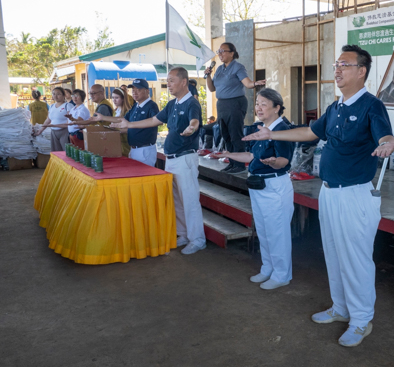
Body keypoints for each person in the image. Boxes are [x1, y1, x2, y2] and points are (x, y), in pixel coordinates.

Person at [244, 44, 394, 346]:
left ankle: (361, 320)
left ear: (361, 71)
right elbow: (310, 132)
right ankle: (341, 308)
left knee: (355, 258)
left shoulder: (372, 105)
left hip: (355, 195)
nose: (338, 70)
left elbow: (385, 134)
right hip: (329, 192)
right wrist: (272, 134)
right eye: (336, 64)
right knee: (333, 253)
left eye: (345, 64)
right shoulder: (335, 108)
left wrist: (387, 143)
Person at [110, 67, 206, 255]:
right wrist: (129, 124)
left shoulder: (191, 103)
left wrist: (192, 128)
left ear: (184, 82)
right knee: (177, 199)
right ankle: (184, 234)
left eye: (171, 80)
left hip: (185, 157)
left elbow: (195, 121)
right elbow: (154, 120)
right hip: (171, 158)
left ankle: (198, 239)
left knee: (190, 200)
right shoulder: (172, 104)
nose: (168, 84)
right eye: (168, 81)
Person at [224, 89, 295, 290]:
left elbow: (284, 161)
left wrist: (274, 162)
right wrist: (230, 154)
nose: (258, 107)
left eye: (264, 104)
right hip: (258, 185)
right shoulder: (260, 129)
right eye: (257, 103)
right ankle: (267, 268)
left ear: (277, 107)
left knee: (277, 232)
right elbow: (251, 157)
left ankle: (282, 274)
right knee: (263, 230)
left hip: (274, 185)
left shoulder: (281, 130)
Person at [205, 42, 266, 173]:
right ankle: (232, 162)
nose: (220, 54)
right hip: (222, 104)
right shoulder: (220, 69)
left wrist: (255, 83)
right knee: (225, 135)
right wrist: (208, 76)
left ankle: (239, 165)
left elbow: (248, 83)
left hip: (235, 103)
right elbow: (211, 88)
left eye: (223, 51)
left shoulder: (238, 67)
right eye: (218, 51)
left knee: (235, 134)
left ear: (232, 53)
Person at [94, 79, 159, 166]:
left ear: (147, 91)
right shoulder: (136, 105)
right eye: (133, 90)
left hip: (144, 149)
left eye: (138, 90)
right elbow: (123, 119)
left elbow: (156, 121)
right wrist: (103, 117)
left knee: (143, 178)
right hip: (133, 148)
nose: (135, 93)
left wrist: (130, 125)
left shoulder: (152, 106)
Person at [35, 87, 72, 151]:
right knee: (56, 153)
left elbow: (70, 122)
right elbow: (48, 120)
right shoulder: (52, 106)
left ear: (64, 95)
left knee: (66, 152)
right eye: (54, 94)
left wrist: (54, 125)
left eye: (58, 94)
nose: (56, 96)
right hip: (54, 132)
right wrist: (40, 130)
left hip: (64, 132)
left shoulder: (68, 106)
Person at [111, 88, 134, 156]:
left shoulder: (128, 112)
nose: (114, 100)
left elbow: (130, 129)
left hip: (126, 144)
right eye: (113, 98)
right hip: (117, 143)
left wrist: (117, 129)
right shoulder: (115, 111)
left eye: (117, 98)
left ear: (123, 98)